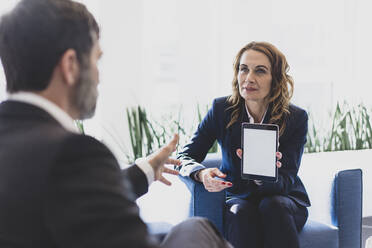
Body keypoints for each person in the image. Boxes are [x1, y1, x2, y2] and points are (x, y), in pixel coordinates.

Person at [0, 0, 232, 247]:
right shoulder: (74, 154)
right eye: (96, 59)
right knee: (196, 229)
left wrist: (146, 169)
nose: (99, 76)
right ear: (70, 65)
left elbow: (64, 198)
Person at [177, 41, 310, 248]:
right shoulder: (221, 109)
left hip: (283, 199)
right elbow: (184, 156)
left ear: (275, 78)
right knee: (241, 213)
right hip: (238, 197)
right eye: (243, 69)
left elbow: (286, 180)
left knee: (272, 205)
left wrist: (262, 173)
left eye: (260, 71)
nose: (249, 78)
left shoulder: (295, 118)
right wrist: (201, 174)